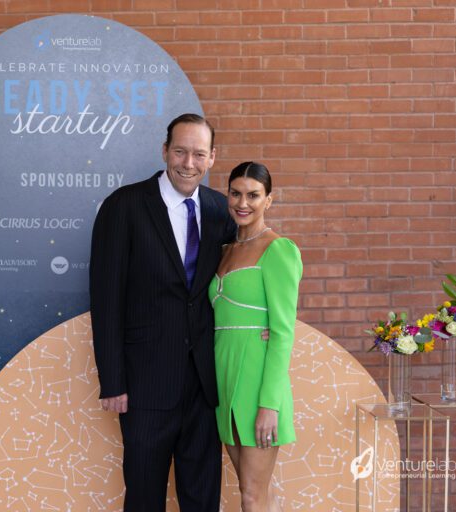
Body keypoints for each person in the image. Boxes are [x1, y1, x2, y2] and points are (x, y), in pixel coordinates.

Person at [89, 113, 235, 511]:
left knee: (202, 497)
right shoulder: (125, 206)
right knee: (143, 497)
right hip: (143, 385)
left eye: (199, 154)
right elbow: (105, 299)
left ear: (212, 158)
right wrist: (113, 380)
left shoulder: (221, 211)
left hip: (205, 387)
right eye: (181, 151)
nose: (189, 163)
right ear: (165, 151)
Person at [211, 161, 302, 512]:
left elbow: (282, 332)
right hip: (223, 379)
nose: (242, 202)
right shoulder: (224, 251)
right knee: (254, 492)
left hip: (256, 383)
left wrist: (269, 405)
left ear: (269, 200)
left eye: (253, 195)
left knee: (252, 495)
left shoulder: (278, 249)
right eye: (236, 193)